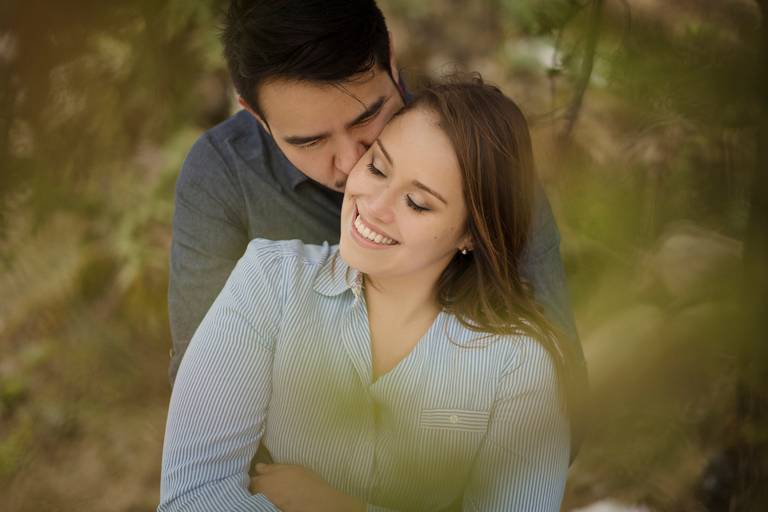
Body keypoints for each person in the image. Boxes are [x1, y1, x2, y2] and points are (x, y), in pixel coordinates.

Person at [159, 78, 579, 512]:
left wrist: (332, 506)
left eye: (417, 202)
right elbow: (191, 498)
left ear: (470, 233)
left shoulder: (518, 363)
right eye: (377, 168)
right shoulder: (270, 280)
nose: (374, 206)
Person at [167, 0, 585, 395]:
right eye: (311, 142)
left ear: (390, 56)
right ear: (256, 116)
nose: (352, 163)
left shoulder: (479, 149)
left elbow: (560, 390)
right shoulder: (223, 175)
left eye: (367, 116)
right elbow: (206, 389)